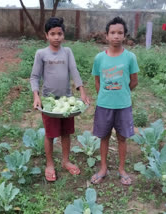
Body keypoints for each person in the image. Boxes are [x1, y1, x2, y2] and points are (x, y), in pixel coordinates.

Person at [30, 17, 90, 182]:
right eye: (53, 34)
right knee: (50, 134)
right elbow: (34, 77)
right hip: (49, 102)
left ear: (63, 35)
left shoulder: (67, 52)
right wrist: (36, 95)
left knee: (66, 132)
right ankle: (49, 164)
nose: (56, 37)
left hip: (66, 101)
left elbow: (74, 71)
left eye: (59, 34)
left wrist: (82, 91)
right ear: (46, 35)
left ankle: (65, 161)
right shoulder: (41, 54)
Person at [90, 17, 139, 185]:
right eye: (113, 33)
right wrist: (105, 95)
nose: (116, 36)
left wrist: (122, 93)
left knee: (122, 138)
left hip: (123, 105)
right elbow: (97, 82)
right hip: (104, 105)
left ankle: (121, 169)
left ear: (124, 36)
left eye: (120, 33)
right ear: (106, 36)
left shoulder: (130, 57)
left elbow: (134, 81)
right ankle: (103, 168)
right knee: (103, 137)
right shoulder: (99, 58)